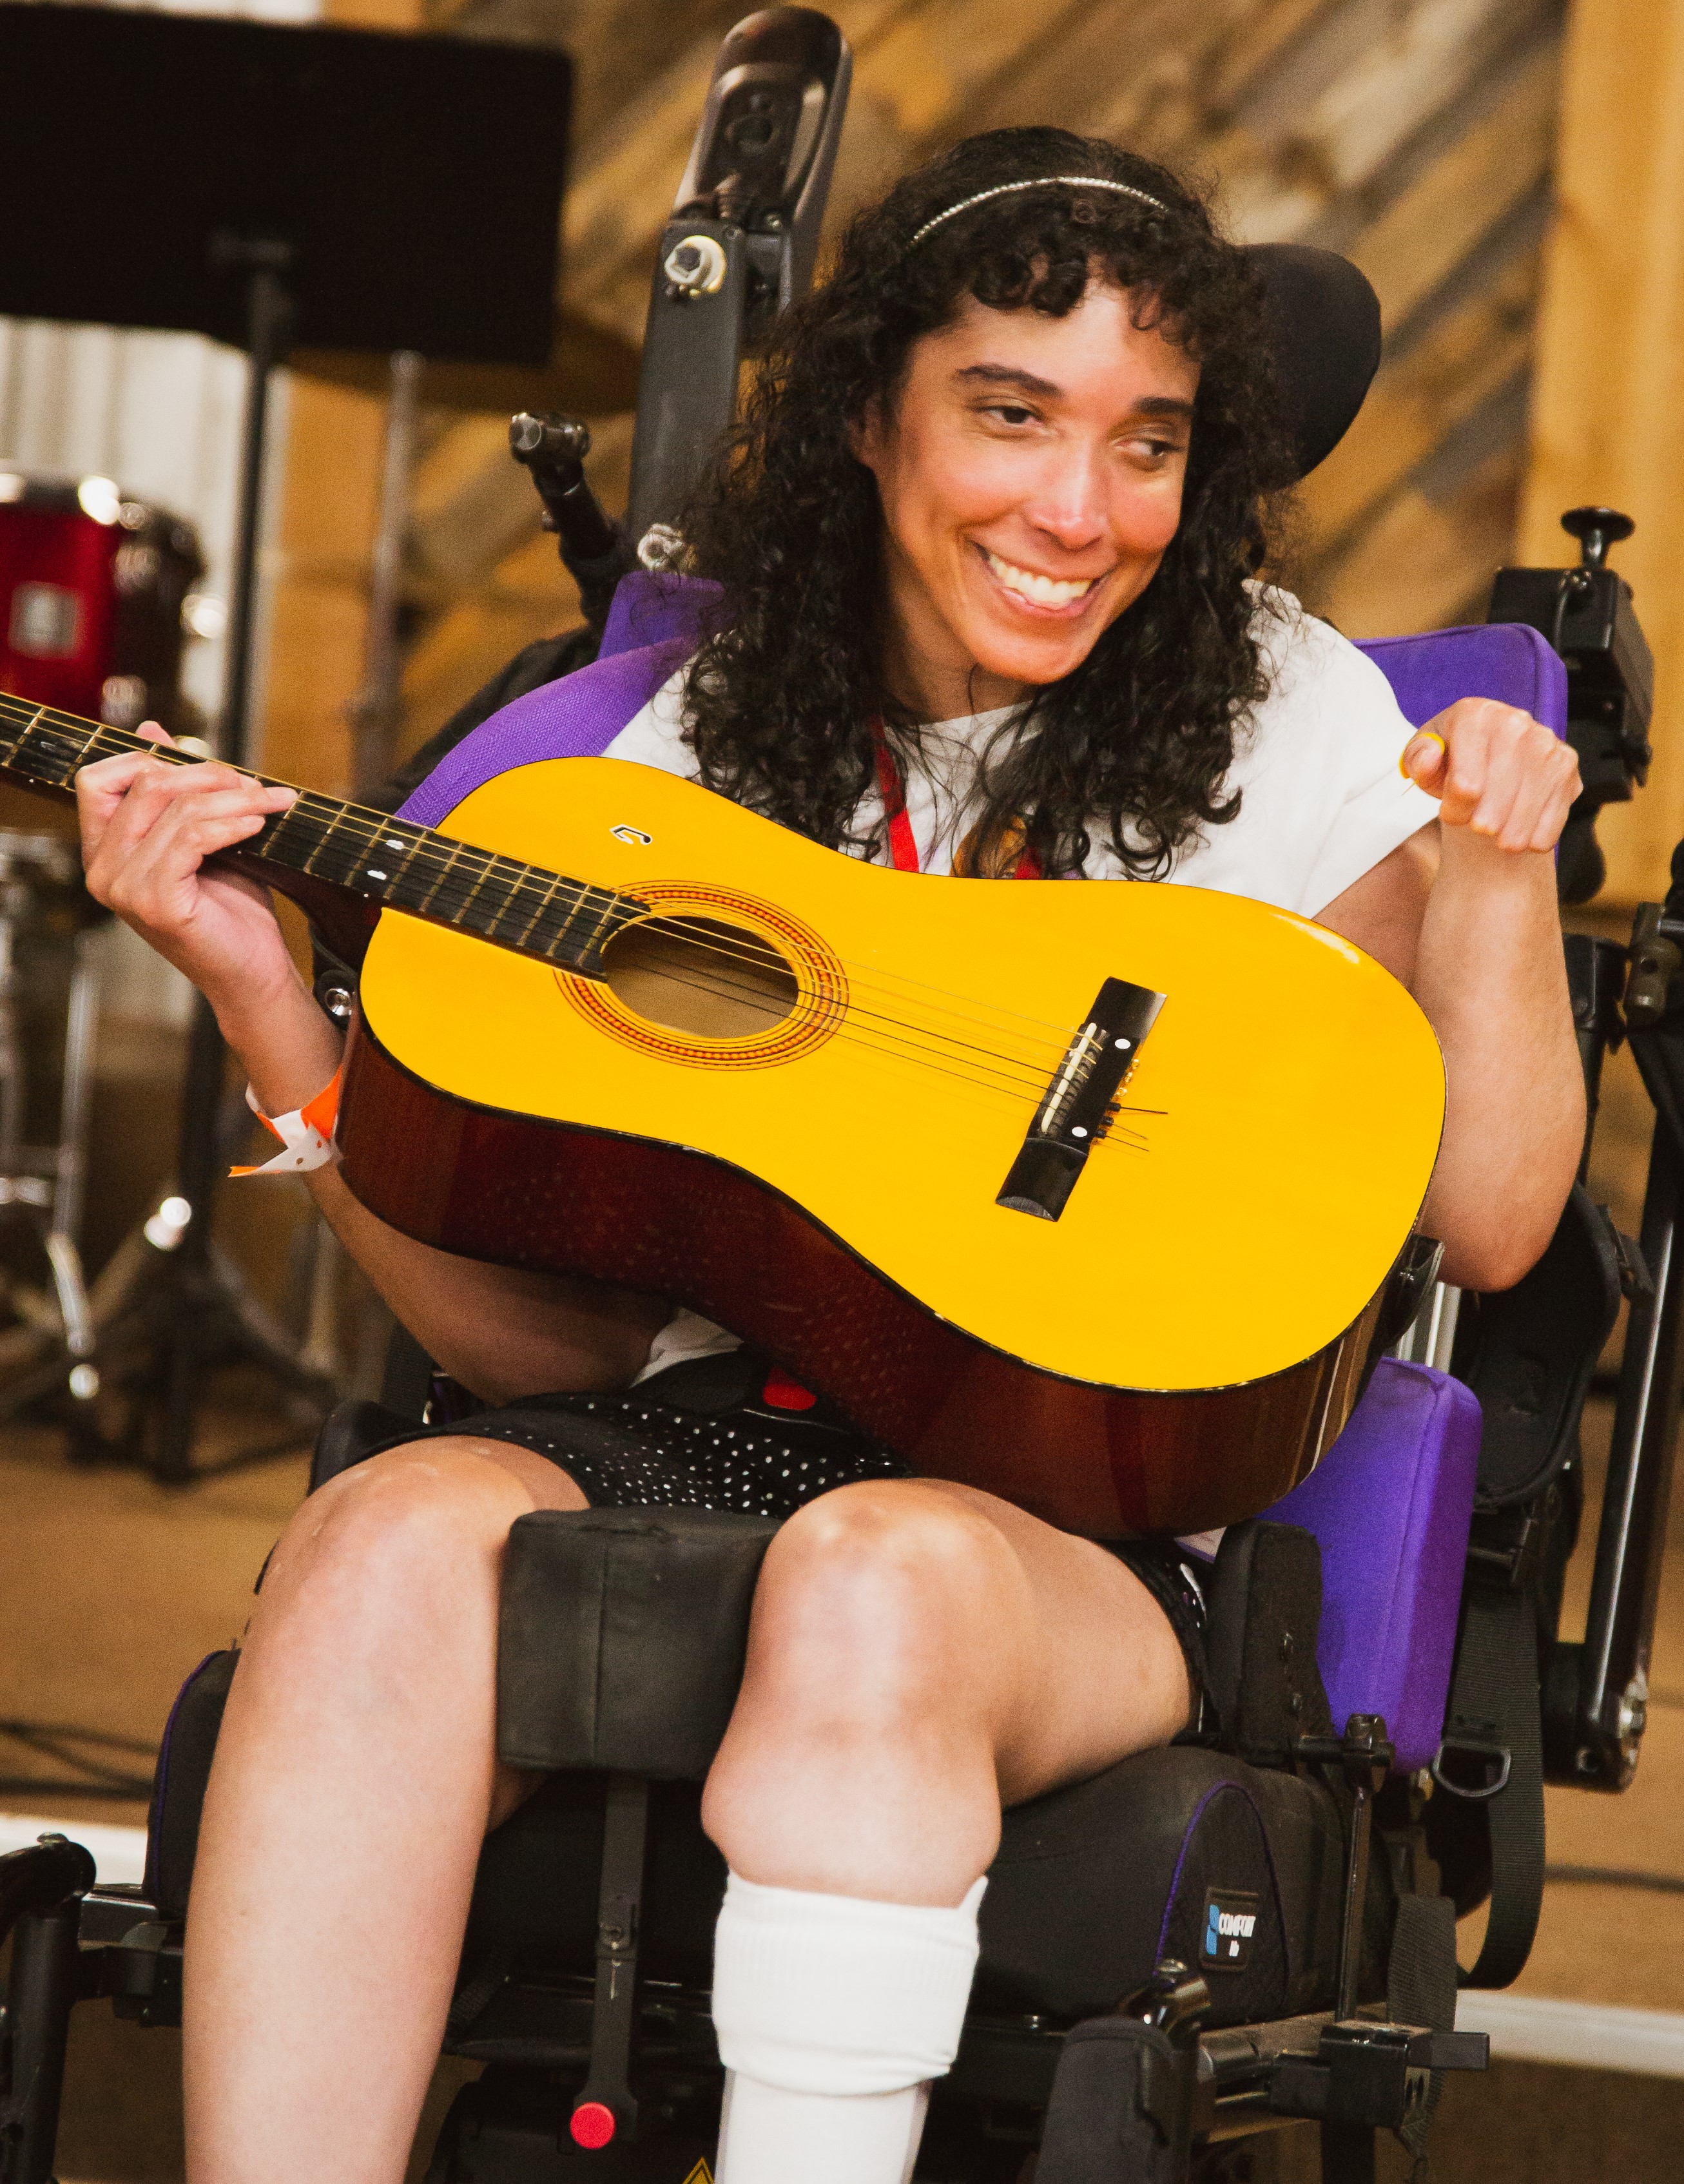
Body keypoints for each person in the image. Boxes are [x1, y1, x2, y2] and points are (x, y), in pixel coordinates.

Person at [74, 129, 1583, 2184]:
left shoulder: (1289, 715)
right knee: (369, 1552)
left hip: (1082, 1503)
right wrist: (270, 1005)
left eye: (1147, 445)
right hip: (708, 1429)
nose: (1079, 507)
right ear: (873, 421)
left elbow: (1492, 1218)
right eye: (1012, 416)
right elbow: (549, 1359)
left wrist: (1493, 893)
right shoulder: (685, 755)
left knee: (880, 1579)